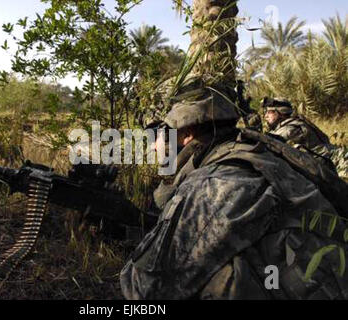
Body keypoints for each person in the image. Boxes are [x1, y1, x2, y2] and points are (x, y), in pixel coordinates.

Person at [120, 79, 348, 300]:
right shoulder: (254, 150)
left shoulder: (213, 184)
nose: (150, 145)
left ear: (185, 132)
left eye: (153, 134)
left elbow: (145, 288)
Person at [263, 97, 334, 160]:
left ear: (281, 112)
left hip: (337, 162)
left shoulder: (289, 129)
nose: (266, 116)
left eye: (269, 112)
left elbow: (269, 143)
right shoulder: (295, 121)